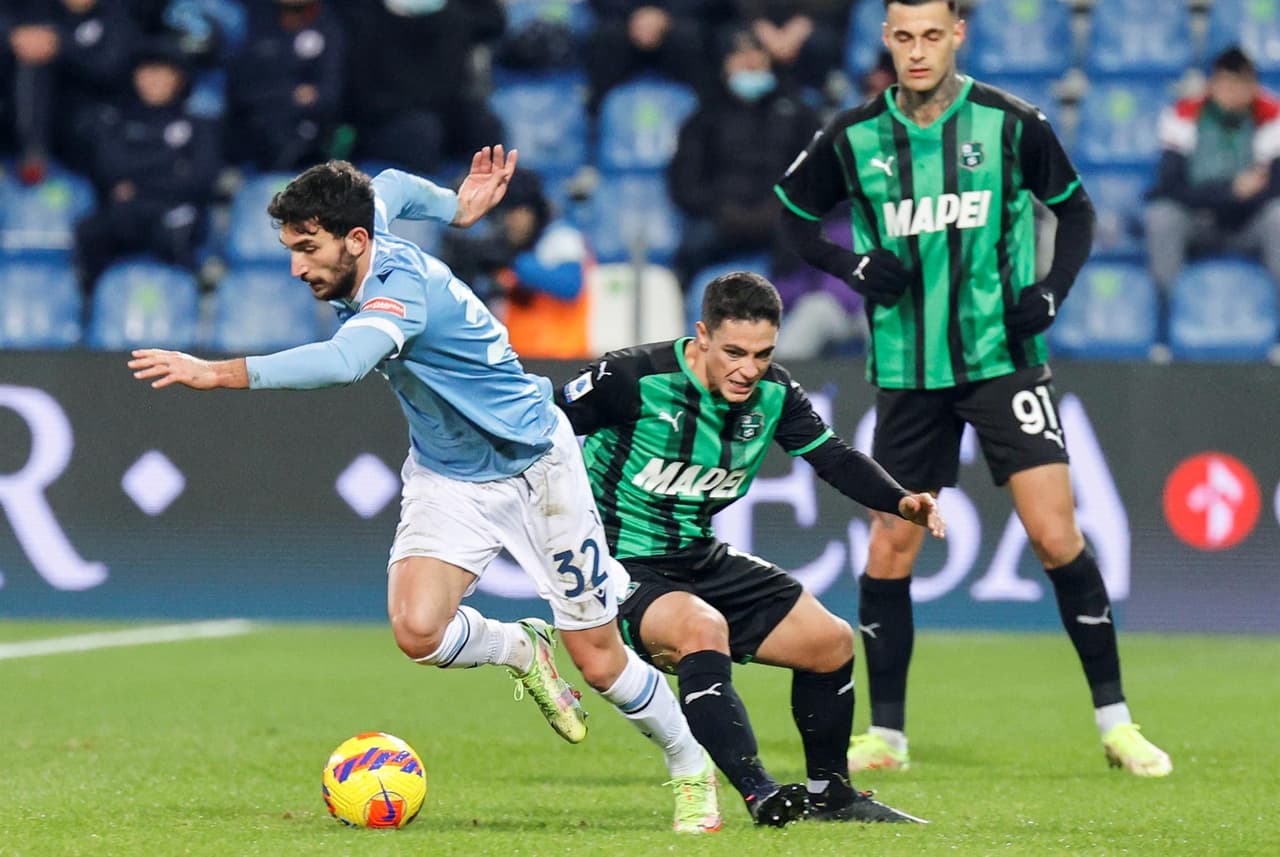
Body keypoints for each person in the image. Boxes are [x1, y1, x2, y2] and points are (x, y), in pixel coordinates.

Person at [127, 148, 723, 834]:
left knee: (599, 660)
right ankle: (517, 647)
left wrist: (219, 373)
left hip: (536, 466)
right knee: (416, 630)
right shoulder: (366, 213)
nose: (296, 266)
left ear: (354, 242)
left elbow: (344, 360)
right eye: (291, 247)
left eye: (306, 249)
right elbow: (393, 186)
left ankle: (690, 765)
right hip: (448, 471)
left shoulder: (395, 292)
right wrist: (457, 205)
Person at [774, 0, 1173, 777]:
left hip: (1004, 359)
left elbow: (1078, 212)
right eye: (903, 37)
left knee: (1056, 534)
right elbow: (792, 214)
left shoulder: (1011, 121)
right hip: (907, 372)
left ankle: (1117, 722)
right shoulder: (855, 136)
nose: (917, 52)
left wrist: (1053, 289)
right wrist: (850, 266)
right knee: (893, 543)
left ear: (958, 35)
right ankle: (886, 735)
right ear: (885, 40)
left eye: (932, 36)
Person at [555, 270, 942, 825]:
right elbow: (539, 428)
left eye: (762, 354)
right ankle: (760, 792)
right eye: (734, 351)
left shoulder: (775, 394)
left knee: (829, 642)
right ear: (702, 336)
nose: (748, 369)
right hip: (620, 563)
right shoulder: (631, 377)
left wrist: (901, 500)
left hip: (699, 555)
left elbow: (833, 457)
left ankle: (831, 794)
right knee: (699, 628)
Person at [667, 26, 820, 291]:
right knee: (690, 249)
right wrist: (721, 209)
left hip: (779, 218)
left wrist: (779, 207)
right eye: (739, 54)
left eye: (756, 53)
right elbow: (684, 180)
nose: (749, 61)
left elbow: (817, 171)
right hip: (721, 218)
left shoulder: (797, 111)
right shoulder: (704, 117)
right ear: (725, 64)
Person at [74, 36, 221, 293]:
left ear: (179, 77)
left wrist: (139, 185)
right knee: (91, 229)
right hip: (127, 214)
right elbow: (110, 168)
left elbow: (201, 179)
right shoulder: (115, 121)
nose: (153, 79)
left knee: (177, 225)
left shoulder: (199, 125)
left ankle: (189, 302)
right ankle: (93, 304)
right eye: (146, 71)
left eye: (162, 72)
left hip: (174, 213)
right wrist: (170, 166)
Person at [1145, 46, 1280, 297]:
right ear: (1213, 84)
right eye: (1226, 85)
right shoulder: (1182, 115)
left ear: (1253, 87)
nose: (1233, 94)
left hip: (1248, 223)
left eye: (1241, 85)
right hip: (1198, 221)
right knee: (1162, 215)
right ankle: (1169, 312)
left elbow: (1273, 188)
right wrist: (1231, 192)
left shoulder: (1272, 118)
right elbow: (1171, 185)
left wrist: (1241, 196)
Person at [440, 169, 593, 360]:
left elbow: (570, 285)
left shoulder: (560, 238)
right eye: (505, 213)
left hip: (563, 360)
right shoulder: (504, 250)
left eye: (518, 211)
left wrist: (513, 262)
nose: (511, 221)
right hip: (519, 361)